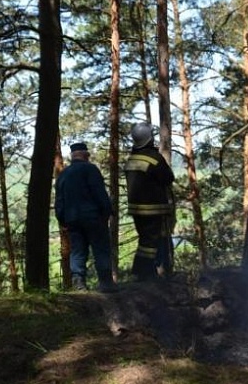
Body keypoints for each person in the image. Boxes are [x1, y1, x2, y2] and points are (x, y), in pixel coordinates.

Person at [54, 142, 118, 293]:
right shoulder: (90, 170)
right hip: (93, 218)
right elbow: (99, 193)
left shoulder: (64, 174)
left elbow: (59, 200)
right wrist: (107, 211)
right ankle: (106, 283)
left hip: (72, 220)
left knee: (77, 251)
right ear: (85, 155)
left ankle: (79, 284)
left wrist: (62, 219)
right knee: (100, 248)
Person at [124, 122, 176, 281]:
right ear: (149, 139)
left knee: (145, 239)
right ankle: (143, 272)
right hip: (154, 208)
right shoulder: (154, 158)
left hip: (136, 209)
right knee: (150, 242)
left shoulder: (131, 159)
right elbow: (168, 178)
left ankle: (146, 271)